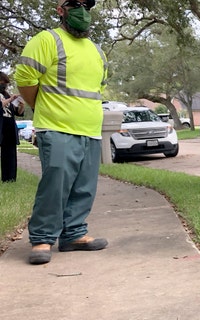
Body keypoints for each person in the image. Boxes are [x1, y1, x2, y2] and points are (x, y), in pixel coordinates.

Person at [14, 0, 109, 265]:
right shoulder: (47, 40)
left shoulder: (97, 51)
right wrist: (41, 107)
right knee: (55, 185)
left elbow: (97, 88)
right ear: (60, 10)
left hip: (90, 130)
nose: (82, 11)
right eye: (75, 4)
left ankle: (74, 234)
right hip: (56, 128)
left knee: (84, 187)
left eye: (87, 6)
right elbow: (25, 81)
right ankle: (42, 238)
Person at [0, 72, 25, 182]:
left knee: (10, 154)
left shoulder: (7, 94)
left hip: (9, 127)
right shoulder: (7, 97)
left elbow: (17, 112)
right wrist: (10, 99)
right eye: (2, 83)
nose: (4, 85)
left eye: (6, 83)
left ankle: (9, 178)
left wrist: (21, 106)